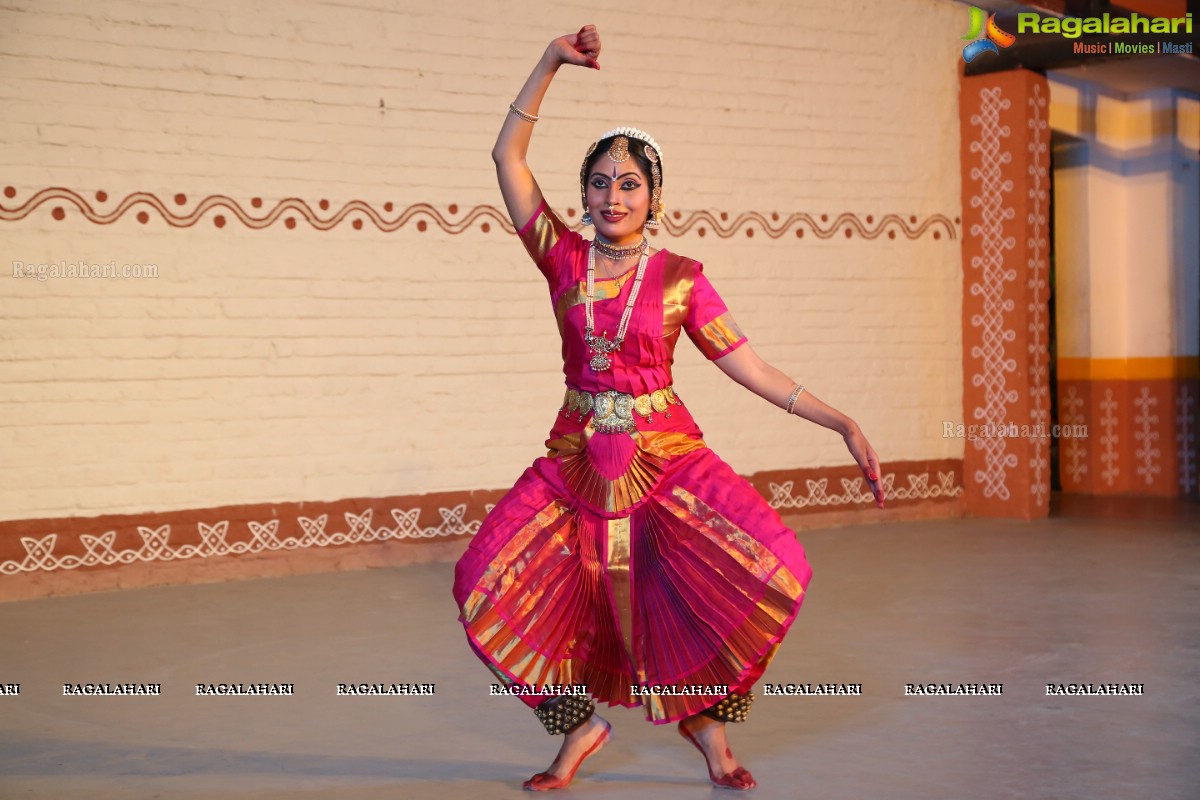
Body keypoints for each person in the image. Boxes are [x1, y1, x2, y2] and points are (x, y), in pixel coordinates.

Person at [452, 24, 885, 792]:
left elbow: (747, 364)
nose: (612, 196)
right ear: (583, 194)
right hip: (574, 458)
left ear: (655, 197)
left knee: (758, 572)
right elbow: (506, 160)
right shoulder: (561, 256)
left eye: (629, 184)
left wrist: (841, 421)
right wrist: (550, 61)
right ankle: (576, 726)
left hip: (667, 459)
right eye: (599, 182)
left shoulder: (683, 279)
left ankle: (710, 734)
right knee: (481, 583)